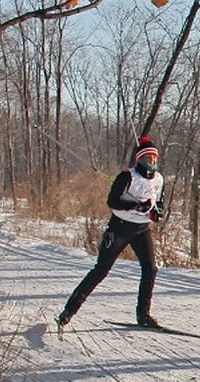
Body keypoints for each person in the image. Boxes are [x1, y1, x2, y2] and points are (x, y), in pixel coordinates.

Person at [57, 136, 166, 329]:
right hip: (120, 228)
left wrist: (156, 212)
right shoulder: (127, 176)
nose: (152, 162)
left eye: (154, 159)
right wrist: (135, 206)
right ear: (140, 159)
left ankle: (144, 314)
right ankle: (69, 311)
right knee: (101, 270)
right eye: (148, 158)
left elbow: (160, 203)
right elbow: (112, 201)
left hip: (141, 230)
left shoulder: (159, 179)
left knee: (150, 269)